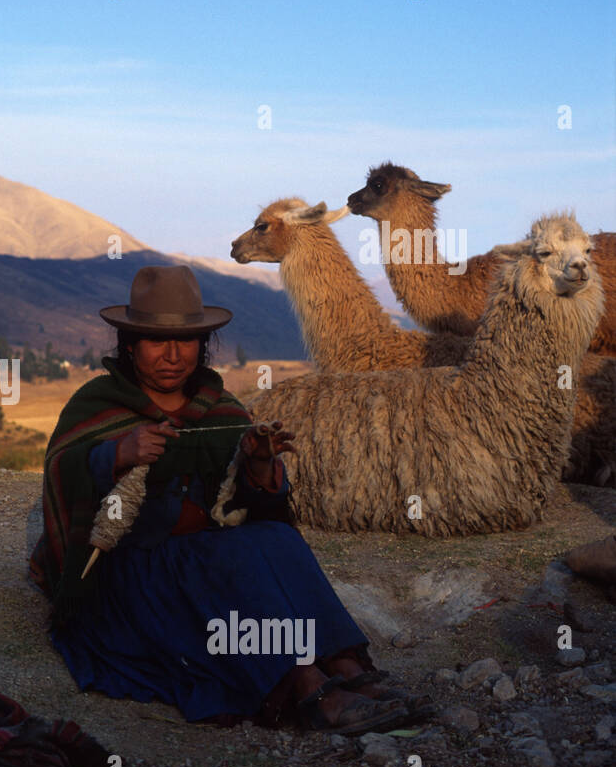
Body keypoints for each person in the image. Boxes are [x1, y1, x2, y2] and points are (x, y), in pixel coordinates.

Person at [28, 265, 428, 734]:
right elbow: (62, 474)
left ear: (204, 345)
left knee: (277, 541)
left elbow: (258, 506)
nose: (174, 355)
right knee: (223, 559)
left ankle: (345, 666)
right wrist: (115, 454)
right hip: (130, 573)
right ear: (130, 345)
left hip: (204, 559)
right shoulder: (98, 403)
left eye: (188, 341)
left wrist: (260, 467)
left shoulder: (220, 408)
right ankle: (304, 687)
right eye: (157, 341)